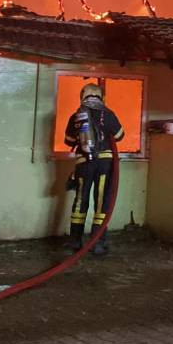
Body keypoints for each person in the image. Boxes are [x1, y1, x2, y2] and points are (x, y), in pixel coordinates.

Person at [63, 83, 125, 256]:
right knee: (101, 203)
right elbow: (120, 135)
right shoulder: (108, 114)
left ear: (82, 96)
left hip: (84, 163)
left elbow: (68, 141)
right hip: (105, 163)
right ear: (101, 97)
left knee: (80, 201)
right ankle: (98, 244)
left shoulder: (76, 115)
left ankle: (75, 242)